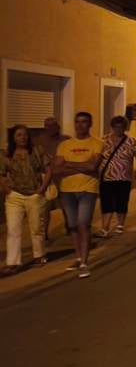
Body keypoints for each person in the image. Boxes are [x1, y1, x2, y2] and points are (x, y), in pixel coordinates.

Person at [52, 112, 103, 278]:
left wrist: (69, 164)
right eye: (78, 122)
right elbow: (57, 169)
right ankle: (78, 256)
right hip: (67, 190)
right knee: (73, 226)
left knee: (83, 224)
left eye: (84, 122)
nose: (80, 125)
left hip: (87, 189)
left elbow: (93, 167)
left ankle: (84, 262)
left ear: (90, 124)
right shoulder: (64, 145)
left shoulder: (97, 143)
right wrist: (82, 165)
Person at [1, 125, 51, 274]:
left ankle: (39, 255)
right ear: (13, 138)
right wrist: (7, 189)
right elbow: (2, 174)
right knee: (13, 229)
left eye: (25, 135)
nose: (22, 138)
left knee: (36, 228)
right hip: (15, 196)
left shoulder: (37, 151)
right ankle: (13, 262)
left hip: (34, 194)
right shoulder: (6, 154)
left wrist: (41, 189)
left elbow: (48, 170)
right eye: (19, 135)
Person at [96, 116, 136, 238]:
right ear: (112, 127)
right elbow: (98, 156)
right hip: (107, 177)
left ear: (124, 128)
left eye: (121, 127)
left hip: (124, 177)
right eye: (116, 127)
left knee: (121, 201)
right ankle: (105, 228)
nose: (118, 129)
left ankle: (120, 225)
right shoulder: (104, 140)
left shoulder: (131, 141)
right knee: (106, 203)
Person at [35, 117, 67, 241]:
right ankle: (44, 233)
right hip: (46, 178)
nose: (50, 128)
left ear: (58, 127)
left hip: (63, 176)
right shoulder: (39, 141)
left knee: (66, 205)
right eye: (47, 125)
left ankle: (70, 226)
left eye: (53, 125)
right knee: (45, 207)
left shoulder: (65, 140)